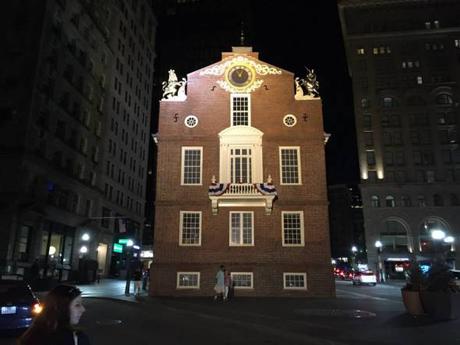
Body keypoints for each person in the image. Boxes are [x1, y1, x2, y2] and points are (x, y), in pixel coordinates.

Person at [18, 285, 90, 345]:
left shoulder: (30, 336)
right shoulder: (77, 339)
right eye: (77, 305)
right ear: (62, 307)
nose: (83, 309)